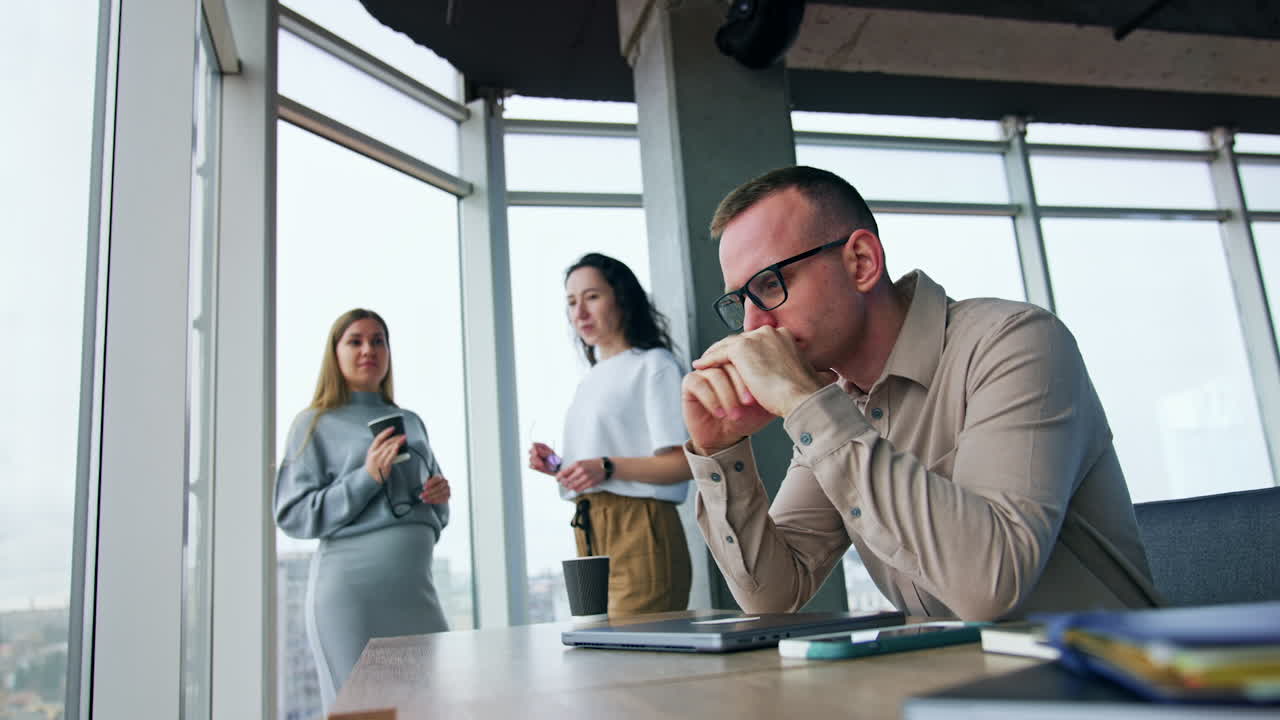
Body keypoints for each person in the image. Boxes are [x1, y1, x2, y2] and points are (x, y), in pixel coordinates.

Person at [681, 166, 1161, 621]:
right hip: (947, 689)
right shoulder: (838, 406)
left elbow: (988, 586)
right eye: (741, 300)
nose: (752, 326)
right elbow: (773, 596)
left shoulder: (1016, 342)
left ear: (862, 262)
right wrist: (721, 450)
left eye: (770, 284)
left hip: (1100, 683)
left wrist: (807, 405)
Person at [275, 308, 451, 707]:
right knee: (364, 714)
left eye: (378, 340)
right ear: (334, 354)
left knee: (430, 710)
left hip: (415, 593)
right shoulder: (315, 423)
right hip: (352, 596)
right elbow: (293, 514)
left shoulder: (412, 421)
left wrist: (438, 498)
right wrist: (366, 476)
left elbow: (431, 517)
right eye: (355, 341)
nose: (368, 349)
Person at [528, 253, 694, 615]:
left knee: (638, 658)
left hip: (639, 528)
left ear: (622, 298)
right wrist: (559, 466)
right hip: (588, 528)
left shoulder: (655, 366)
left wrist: (605, 466)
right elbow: (602, 466)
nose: (579, 313)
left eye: (591, 297)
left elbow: (684, 463)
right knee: (602, 656)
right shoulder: (590, 380)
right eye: (571, 302)